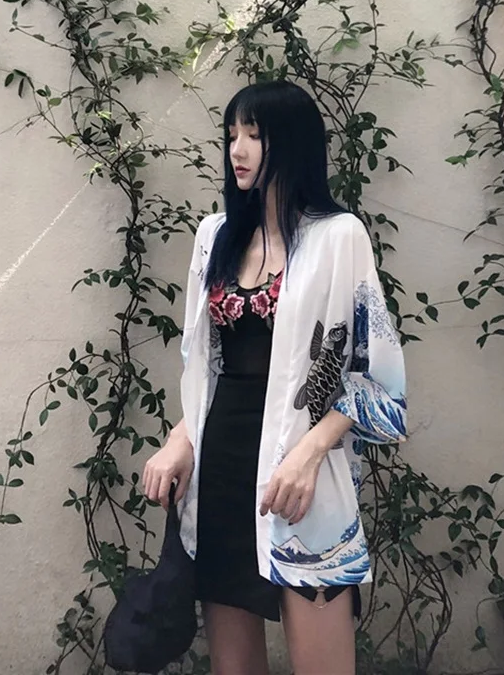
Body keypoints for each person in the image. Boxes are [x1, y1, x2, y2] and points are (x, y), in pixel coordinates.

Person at [142, 80, 407, 675]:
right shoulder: (215, 236)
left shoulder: (339, 237)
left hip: (299, 474)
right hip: (222, 469)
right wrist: (181, 439)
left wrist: (308, 454)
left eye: (254, 136)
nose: (237, 149)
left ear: (291, 143)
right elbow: (208, 370)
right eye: (231, 135)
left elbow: (377, 375)